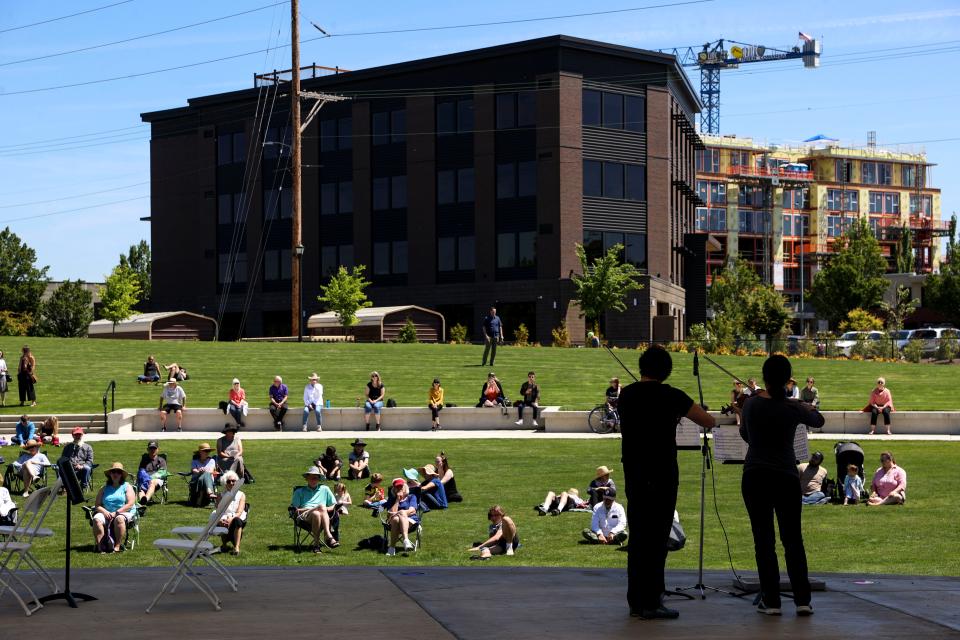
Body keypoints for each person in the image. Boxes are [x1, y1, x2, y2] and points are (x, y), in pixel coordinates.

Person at [617, 345, 715, 620]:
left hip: (634, 473)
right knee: (658, 539)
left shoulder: (627, 395)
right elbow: (707, 420)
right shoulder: (673, 396)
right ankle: (652, 600)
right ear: (667, 370)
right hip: (662, 474)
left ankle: (636, 601)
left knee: (638, 538)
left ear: (641, 367)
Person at [740, 354, 824, 617]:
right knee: (793, 540)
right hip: (786, 476)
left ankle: (772, 600)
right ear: (788, 380)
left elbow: (746, 435)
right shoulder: (793, 407)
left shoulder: (752, 404)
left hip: (756, 474)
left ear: (764, 377)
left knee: (763, 541)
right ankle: (802, 600)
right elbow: (818, 420)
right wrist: (798, 403)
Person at [291, 466, 340, 553]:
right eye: (311, 478)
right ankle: (328, 535)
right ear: (307, 479)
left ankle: (316, 546)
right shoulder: (299, 491)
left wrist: (325, 508)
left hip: (322, 515)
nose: (313, 480)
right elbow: (296, 510)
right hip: (304, 515)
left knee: (317, 513)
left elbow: (333, 504)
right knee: (320, 508)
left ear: (319, 479)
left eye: (316, 478)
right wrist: (315, 508)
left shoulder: (325, 489)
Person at [91, 462, 137, 553]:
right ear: (110, 474)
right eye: (113, 472)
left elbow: (130, 504)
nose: (115, 474)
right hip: (107, 512)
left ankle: (117, 545)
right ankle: (100, 546)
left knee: (119, 518)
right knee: (96, 519)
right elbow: (97, 505)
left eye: (118, 472)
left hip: (124, 512)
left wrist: (116, 513)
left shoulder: (127, 486)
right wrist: (105, 512)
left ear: (121, 475)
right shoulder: (104, 488)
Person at [384, 478, 419, 556]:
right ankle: (406, 540)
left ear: (405, 487)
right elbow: (390, 514)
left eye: (401, 486)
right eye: (397, 487)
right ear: (394, 489)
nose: (399, 488)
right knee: (396, 519)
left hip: (410, 520)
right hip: (393, 521)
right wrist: (397, 500)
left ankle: (391, 548)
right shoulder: (391, 499)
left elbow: (412, 510)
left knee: (402, 513)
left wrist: (401, 513)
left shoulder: (411, 497)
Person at [217, 471, 247, 555]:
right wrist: (223, 519)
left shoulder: (241, 495)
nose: (231, 483)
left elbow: (240, 511)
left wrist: (231, 519)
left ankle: (236, 547)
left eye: (233, 481)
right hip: (224, 515)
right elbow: (218, 510)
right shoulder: (220, 495)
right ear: (225, 483)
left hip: (237, 516)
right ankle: (224, 544)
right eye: (228, 481)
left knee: (237, 521)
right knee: (222, 521)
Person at [136, 440, 167, 505]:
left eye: (154, 448)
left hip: (157, 480)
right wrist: (145, 479)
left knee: (152, 483)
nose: (152, 450)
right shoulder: (144, 460)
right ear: (147, 449)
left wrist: (151, 478)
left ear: (158, 449)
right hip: (145, 480)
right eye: (151, 448)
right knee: (140, 487)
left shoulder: (161, 460)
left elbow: (163, 473)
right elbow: (141, 471)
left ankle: (145, 499)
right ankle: (142, 501)